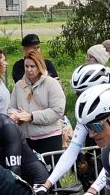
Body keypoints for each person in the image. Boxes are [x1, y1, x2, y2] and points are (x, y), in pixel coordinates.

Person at [10, 39, 69, 169]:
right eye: (26, 66)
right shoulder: (19, 86)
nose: (29, 70)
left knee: (51, 177)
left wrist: (31, 116)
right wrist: (15, 116)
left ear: (40, 66)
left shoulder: (51, 84)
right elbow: (11, 107)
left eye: (33, 66)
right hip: (26, 138)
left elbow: (57, 111)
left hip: (49, 138)